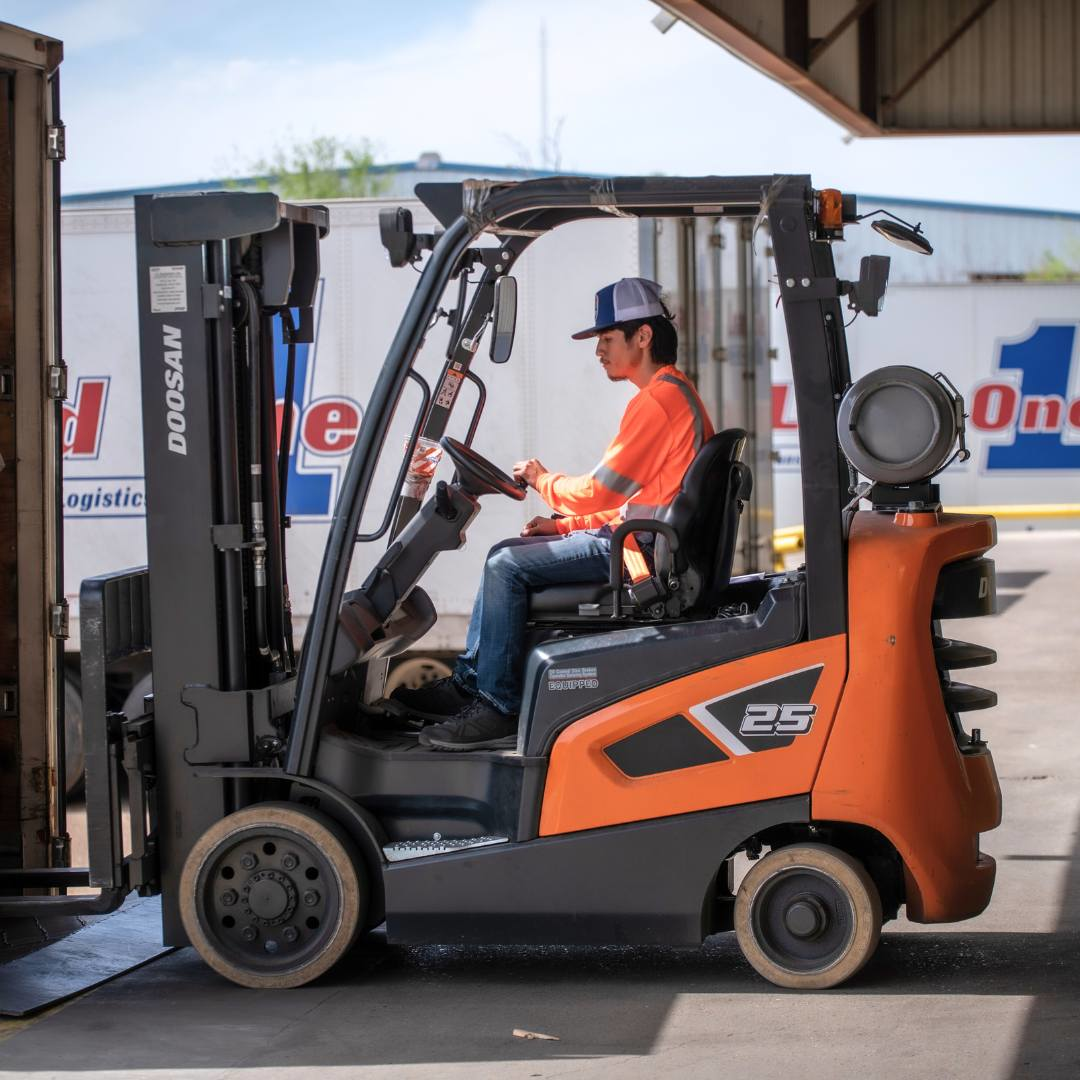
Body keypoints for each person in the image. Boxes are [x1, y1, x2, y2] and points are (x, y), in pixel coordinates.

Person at [392, 277, 714, 751]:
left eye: (607, 338)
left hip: (638, 554)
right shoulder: (673, 395)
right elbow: (632, 505)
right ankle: (471, 683)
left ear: (643, 336)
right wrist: (560, 527)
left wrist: (542, 479)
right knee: (507, 553)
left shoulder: (658, 402)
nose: (598, 351)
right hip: (643, 541)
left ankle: (497, 707)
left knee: (505, 565)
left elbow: (599, 493)